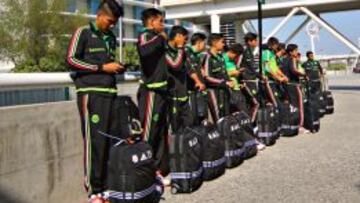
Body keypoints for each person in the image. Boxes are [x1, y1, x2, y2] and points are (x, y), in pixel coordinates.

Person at [66, 0, 124, 202]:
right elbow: (71, 60)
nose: (112, 25)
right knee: (94, 142)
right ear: (99, 15)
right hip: (90, 94)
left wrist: (117, 67)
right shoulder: (83, 32)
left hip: (110, 93)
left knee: (110, 141)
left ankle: (106, 188)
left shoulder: (111, 37)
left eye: (114, 22)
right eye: (110, 21)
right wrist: (102, 68)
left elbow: (107, 63)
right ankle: (94, 192)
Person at [136, 8, 170, 177]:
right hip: (150, 92)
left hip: (163, 92)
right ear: (151, 22)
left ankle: (157, 170)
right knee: (148, 133)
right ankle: (145, 173)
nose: (163, 25)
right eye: (160, 21)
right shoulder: (145, 36)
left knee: (160, 132)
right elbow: (144, 50)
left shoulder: (158, 38)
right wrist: (161, 38)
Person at [166, 26, 205, 132]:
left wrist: (198, 82)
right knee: (175, 127)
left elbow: (189, 69)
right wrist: (180, 48)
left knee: (189, 124)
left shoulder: (182, 51)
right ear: (178, 36)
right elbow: (175, 65)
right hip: (171, 95)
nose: (186, 42)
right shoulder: (166, 49)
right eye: (185, 39)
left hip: (183, 93)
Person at [203, 33, 234, 122]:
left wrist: (230, 81)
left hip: (224, 91)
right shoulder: (208, 57)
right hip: (213, 92)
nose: (224, 44)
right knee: (217, 118)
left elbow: (225, 73)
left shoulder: (221, 57)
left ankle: (225, 134)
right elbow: (207, 77)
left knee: (226, 116)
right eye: (222, 42)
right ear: (214, 42)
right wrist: (224, 82)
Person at [281, 44, 310, 134]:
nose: (297, 52)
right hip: (294, 85)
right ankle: (300, 126)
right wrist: (304, 75)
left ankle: (290, 124)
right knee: (299, 105)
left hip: (286, 85)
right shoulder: (292, 59)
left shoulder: (284, 59)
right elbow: (294, 69)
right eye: (296, 51)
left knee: (291, 105)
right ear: (291, 52)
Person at [185, 32, 208, 125]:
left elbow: (200, 70)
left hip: (199, 91)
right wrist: (198, 82)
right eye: (204, 43)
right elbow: (189, 70)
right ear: (199, 42)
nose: (205, 46)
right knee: (193, 118)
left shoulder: (197, 55)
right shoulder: (186, 52)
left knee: (201, 116)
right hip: (190, 91)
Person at [240, 32, 261, 123]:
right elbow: (238, 65)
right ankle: (251, 125)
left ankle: (250, 123)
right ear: (249, 41)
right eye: (255, 40)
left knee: (250, 103)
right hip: (246, 80)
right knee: (255, 103)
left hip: (251, 80)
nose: (257, 42)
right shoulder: (243, 51)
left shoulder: (250, 51)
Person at [262, 38, 289, 105]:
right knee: (275, 102)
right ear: (272, 45)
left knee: (279, 100)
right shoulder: (267, 53)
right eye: (276, 45)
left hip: (273, 79)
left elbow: (275, 68)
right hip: (268, 80)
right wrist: (278, 77)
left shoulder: (272, 54)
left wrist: (283, 76)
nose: (277, 47)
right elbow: (267, 68)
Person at [223, 43, 248, 112]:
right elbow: (220, 74)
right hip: (230, 90)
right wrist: (232, 73)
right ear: (231, 52)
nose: (236, 58)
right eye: (236, 56)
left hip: (237, 89)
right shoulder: (222, 59)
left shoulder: (232, 61)